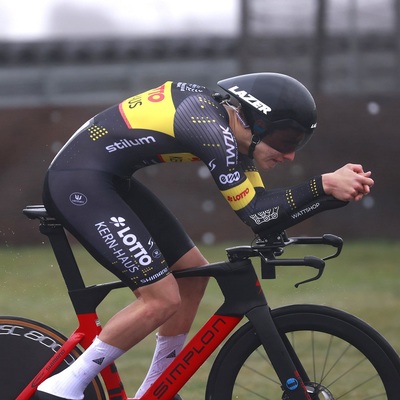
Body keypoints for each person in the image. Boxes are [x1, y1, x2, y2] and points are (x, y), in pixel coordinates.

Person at [35, 72, 373, 400]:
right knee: (162, 297)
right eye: (286, 141)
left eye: (298, 143)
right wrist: (322, 185)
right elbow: (256, 214)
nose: (290, 155)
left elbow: (267, 214)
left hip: (108, 180)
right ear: (254, 122)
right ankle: (62, 388)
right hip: (78, 184)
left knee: (193, 277)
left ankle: (154, 391)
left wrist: (328, 199)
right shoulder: (210, 129)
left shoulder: (235, 133)